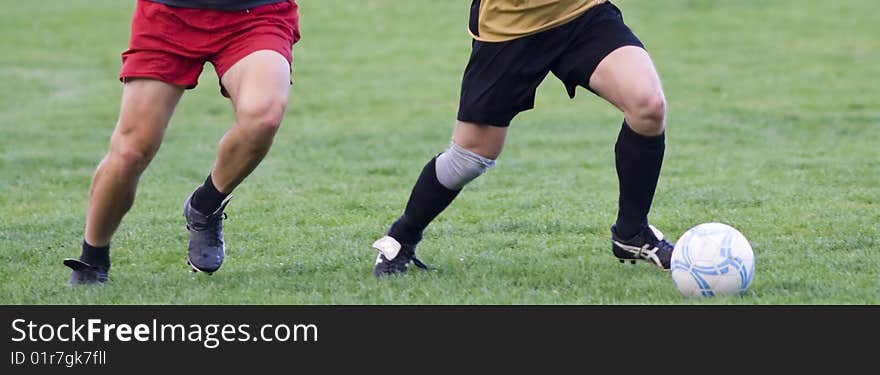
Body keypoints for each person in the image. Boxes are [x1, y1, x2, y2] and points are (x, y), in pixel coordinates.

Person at [372, 0, 674, 277]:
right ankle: (401, 237)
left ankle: (631, 234)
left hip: (581, 12)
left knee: (648, 106)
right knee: (470, 157)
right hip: (510, 25)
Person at [63, 0, 301, 285]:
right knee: (131, 150)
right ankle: (93, 257)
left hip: (256, 14)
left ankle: (206, 204)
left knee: (263, 116)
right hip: (168, 15)